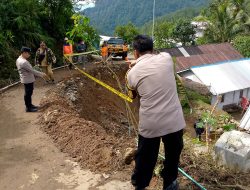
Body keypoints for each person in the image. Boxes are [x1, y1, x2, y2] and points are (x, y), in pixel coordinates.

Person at [126, 35, 186, 190]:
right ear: (152, 49)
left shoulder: (131, 74)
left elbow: (132, 96)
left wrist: (134, 67)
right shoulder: (166, 58)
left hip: (150, 124)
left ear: (135, 52)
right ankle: (170, 184)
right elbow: (155, 58)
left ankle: (140, 185)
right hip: (174, 121)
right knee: (172, 157)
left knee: (145, 158)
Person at [16, 46, 47, 112]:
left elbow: (29, 70)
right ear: (24, 53)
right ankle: (28, 108)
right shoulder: (23, 62)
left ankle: (30, 105)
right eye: (28, 53)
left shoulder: (18, 59)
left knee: (28, 93)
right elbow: (32, 71)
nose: (29, 55)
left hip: (25, 78)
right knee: (28, 94)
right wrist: (41, 74)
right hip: (27, 79)